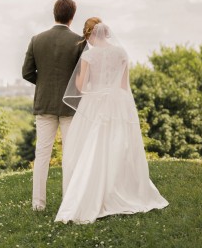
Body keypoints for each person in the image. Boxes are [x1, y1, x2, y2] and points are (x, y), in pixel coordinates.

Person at [55, 17, 169, 224]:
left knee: (93, 148)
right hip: (118, 104)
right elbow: (124, 85)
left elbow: (80, 86)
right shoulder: (122, 53)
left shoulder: (90, 55)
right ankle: (122, 188)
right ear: (106, 32)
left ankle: (96, 190)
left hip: (95, 104)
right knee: (119, 146)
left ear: (90, 34)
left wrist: (88, 79)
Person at [22, 0, 86, 211]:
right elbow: (83, 78)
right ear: (72, 16)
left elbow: (27, 72)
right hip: (70, 106)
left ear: (54, 13)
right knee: (70, 154)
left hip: (45, 103)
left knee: (42, 154)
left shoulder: (36, 39)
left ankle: (38, 204)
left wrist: (44, 84)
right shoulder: (79, 42)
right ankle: (69, 202)